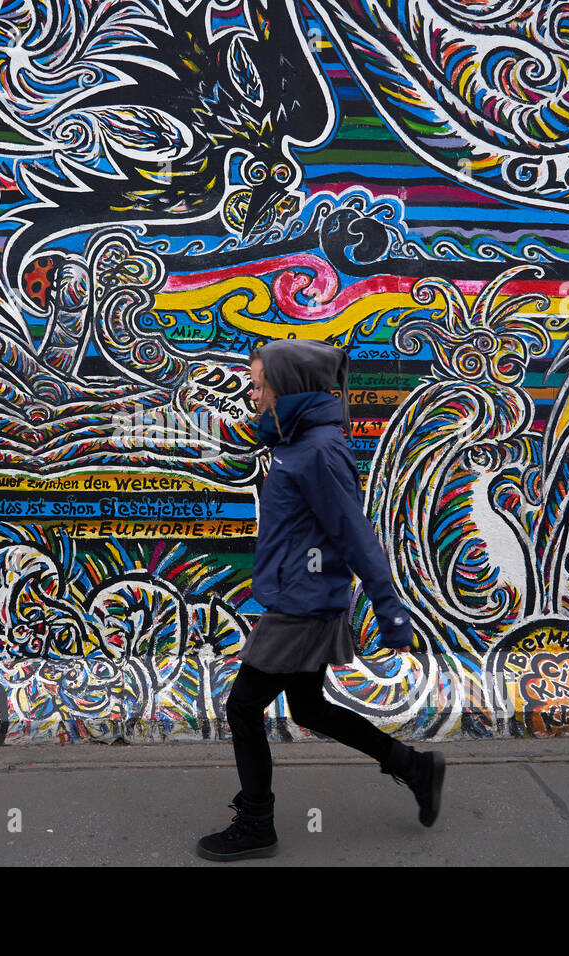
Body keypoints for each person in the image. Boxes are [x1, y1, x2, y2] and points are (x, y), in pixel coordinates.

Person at [196, 339, 445, 861]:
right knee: (310, 705)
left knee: (243, 708)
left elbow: (355, 534)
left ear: (289, 386)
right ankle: (412, 766)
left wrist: (390, 610)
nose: (254, 391)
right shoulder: (299, 441)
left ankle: (256, 823)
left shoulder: (316, 451)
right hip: (303, 596)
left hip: (302, 607)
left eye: (261, 383)